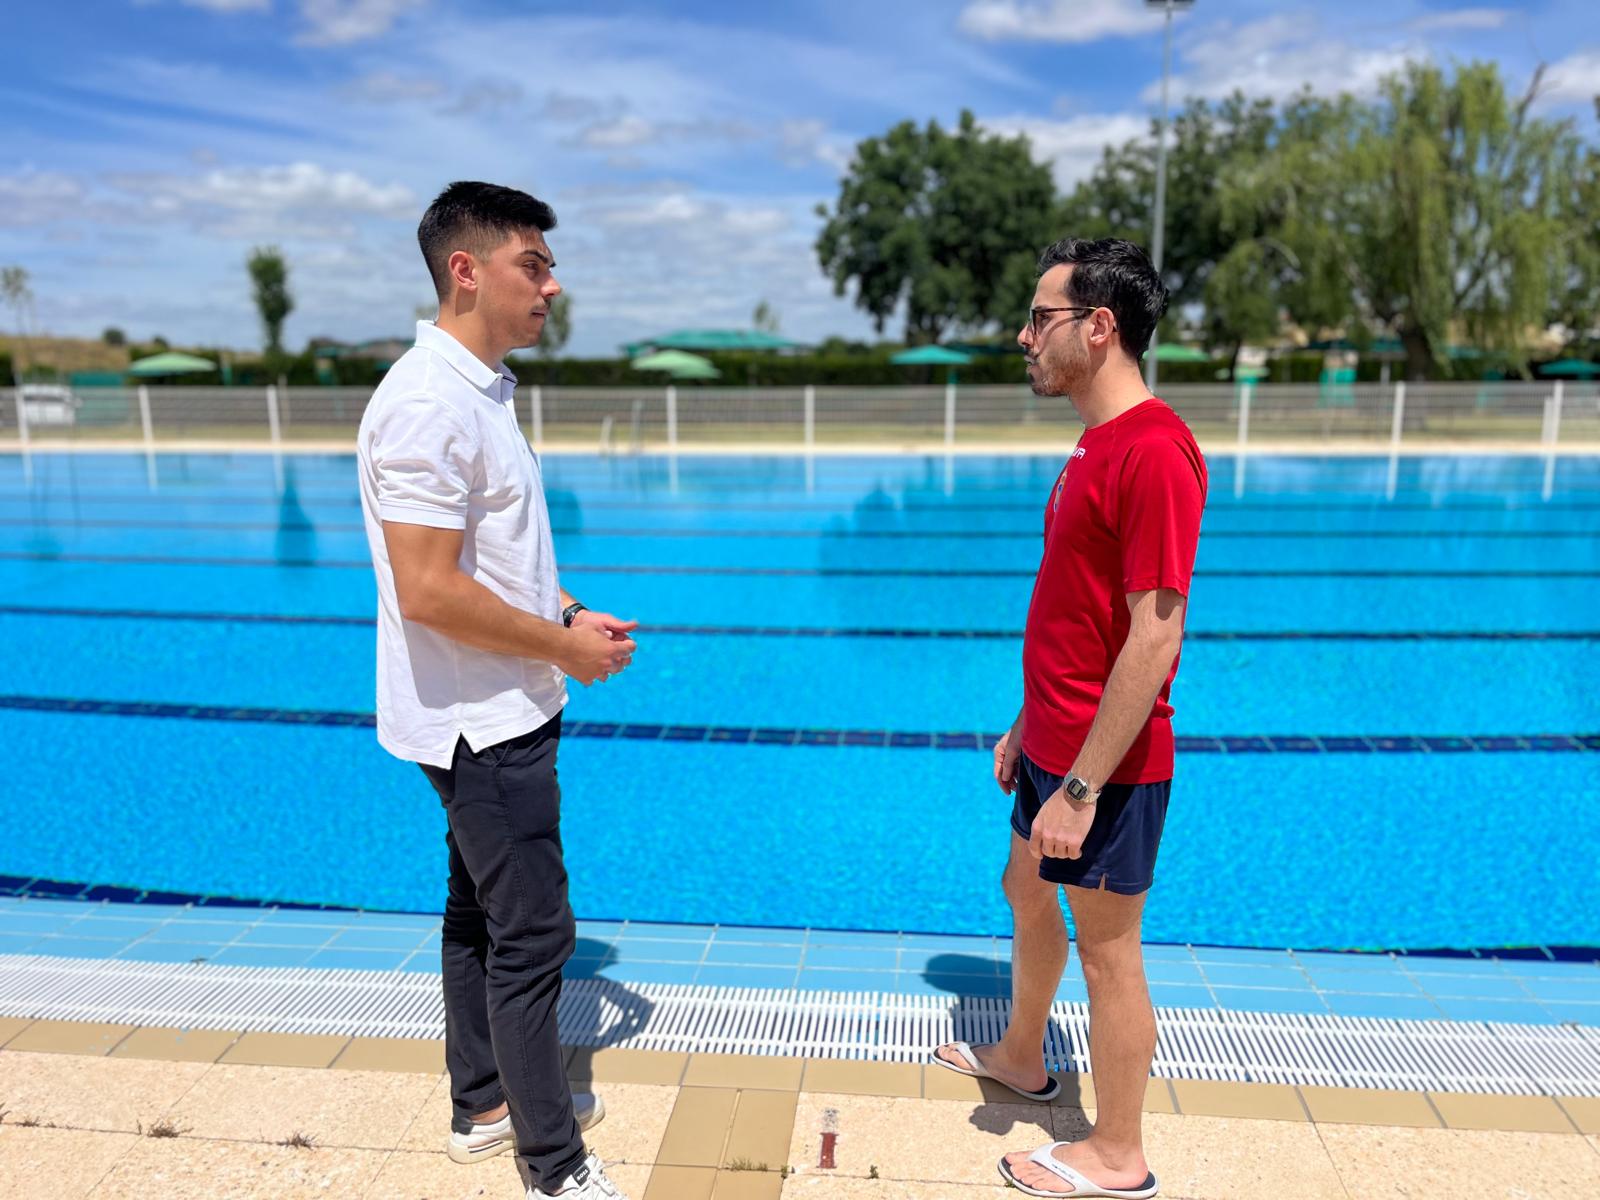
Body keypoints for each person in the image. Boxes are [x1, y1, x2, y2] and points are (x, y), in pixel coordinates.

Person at [357, 180, 638, 1200]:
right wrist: (559, 653)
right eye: (535, 266)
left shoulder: (474, 388)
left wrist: (560, 610)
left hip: (481, 705)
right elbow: (428, 588)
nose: (553, 287)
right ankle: (552, 1166)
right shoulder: (430, 403)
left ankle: (481, 1103)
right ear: (465, 270)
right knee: (534, 933)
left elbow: (480, 553)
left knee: (477, 911)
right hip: (487, 722)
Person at [931, 238, 1207, 1200]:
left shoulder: (1156, 451)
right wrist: (1024, 720)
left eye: (1040, 318)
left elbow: (1152, 637)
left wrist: (1084, 787)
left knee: (1109, 950)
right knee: (1022, 887)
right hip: (1051, 741)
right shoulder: (1094, 442)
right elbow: (1074, 612)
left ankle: (1118, 1154)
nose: (1023, 336)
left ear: (1100, 327)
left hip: (1109, 768)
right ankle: (1020, 1054)